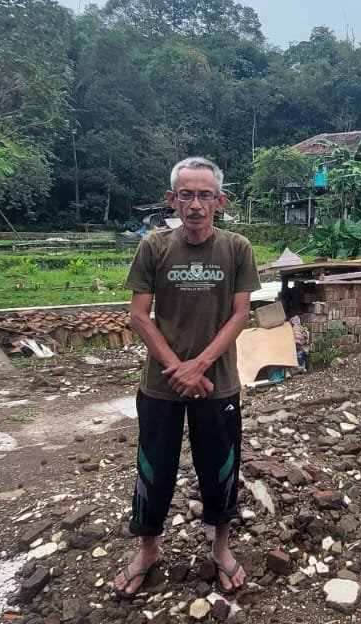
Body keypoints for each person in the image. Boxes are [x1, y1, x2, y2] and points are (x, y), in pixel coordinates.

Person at [113, 157, 259, 601]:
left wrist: (200, 366)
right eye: (187, 195)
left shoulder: (237, 248)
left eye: (205, 195)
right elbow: (139, 316)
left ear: (220, 201)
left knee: (220, 466)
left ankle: (220, 546)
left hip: (218, 383)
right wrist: (181, 368)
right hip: (162, 385)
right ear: (171, 200)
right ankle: (148, 549)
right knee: (154, 467)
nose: (196, 204)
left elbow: (240, 314)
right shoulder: (154, 248)